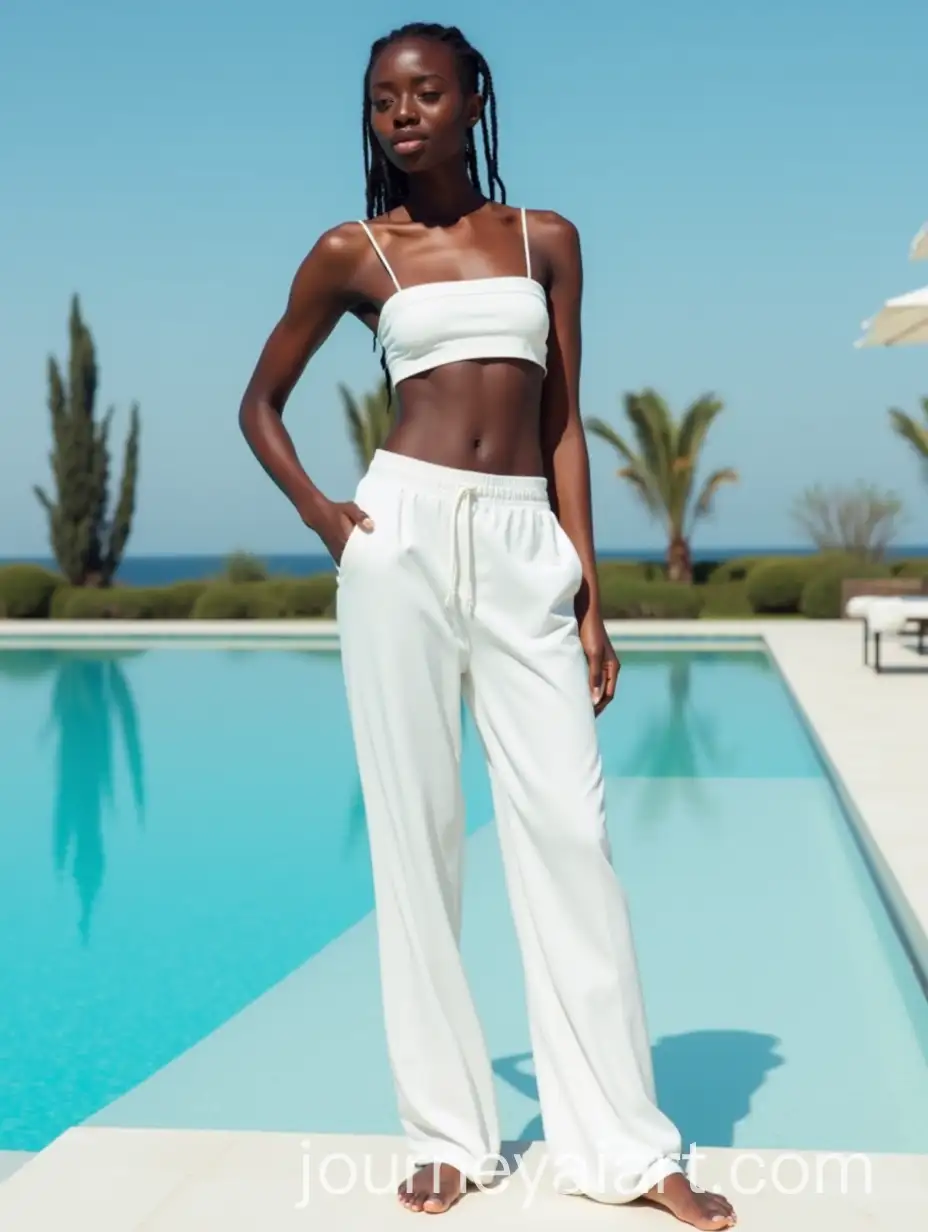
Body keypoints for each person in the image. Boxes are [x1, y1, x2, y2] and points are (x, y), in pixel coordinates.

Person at [239, 21, 735, 1229]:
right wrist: (327, 518)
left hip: (525, 547)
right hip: (398, 538)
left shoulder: (545, 241)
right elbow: (259, 402)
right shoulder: (352, 253)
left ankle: (623, 1143)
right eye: (379, 101)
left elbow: (562, 423)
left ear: (472, 99)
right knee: (415, 843)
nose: (401, 114)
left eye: (422, 92)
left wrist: (589, 594)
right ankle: (449, 1135)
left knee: (572, 836)